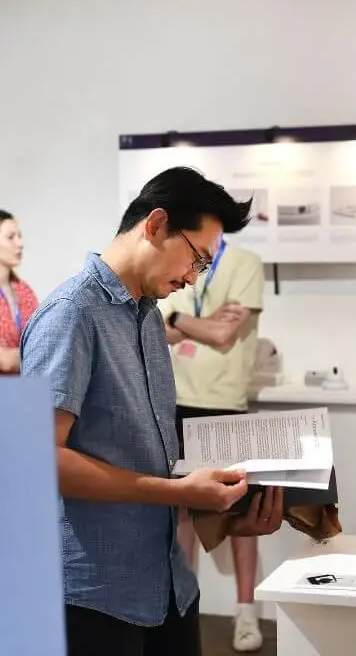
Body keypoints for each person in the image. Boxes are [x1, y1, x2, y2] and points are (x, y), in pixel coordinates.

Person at [19, 167, 284, 656]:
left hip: (166, 587)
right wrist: (174, 490)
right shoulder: (70, 314)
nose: (191, 276)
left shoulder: (145, 317)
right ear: (157, 224)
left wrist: (226, 517)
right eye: (197, 259)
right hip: (93, 597)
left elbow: (143, 458)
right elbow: (38, 459)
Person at [158, 242, 265, 652]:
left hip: (225, 402)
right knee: (182, 510)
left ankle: (246, 612)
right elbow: (159, 331)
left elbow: (223, 334)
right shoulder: (180, 260)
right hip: (176, 399)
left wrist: (182, 317)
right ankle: (184, 610)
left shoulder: (244, 263)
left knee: (241, 506)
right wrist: (194, 323)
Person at [0, 210, 38, 374]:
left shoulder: (24, 291)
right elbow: (4, 362)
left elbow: (42, 344)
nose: (20, 243)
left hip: (18, 390)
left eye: (19, 236)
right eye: (11, 237)